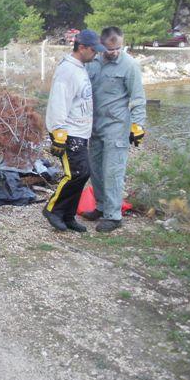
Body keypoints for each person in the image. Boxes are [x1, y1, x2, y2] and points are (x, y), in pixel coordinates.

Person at [82, 27, 146, 232]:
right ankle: (101, 207)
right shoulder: (94, 62)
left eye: (118, 48)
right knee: (96, 170)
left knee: (113, 172)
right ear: (101, 45)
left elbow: (137, 99)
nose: (114, 52)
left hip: (117, 128)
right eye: (110, 49)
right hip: (95, 127)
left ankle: (114, 215)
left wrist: (137, 125)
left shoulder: (130, 66)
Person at [43, 29, 106, 232]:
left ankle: (68, 215)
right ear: (82, 48)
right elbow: (58, 102)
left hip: (79, 132)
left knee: (83, 173)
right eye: (93, 50)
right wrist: (59, 134)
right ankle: (53, 209)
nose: (96, 53)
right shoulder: (67, 71)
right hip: (67, 133)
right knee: (75, 173)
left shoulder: (80, 67)